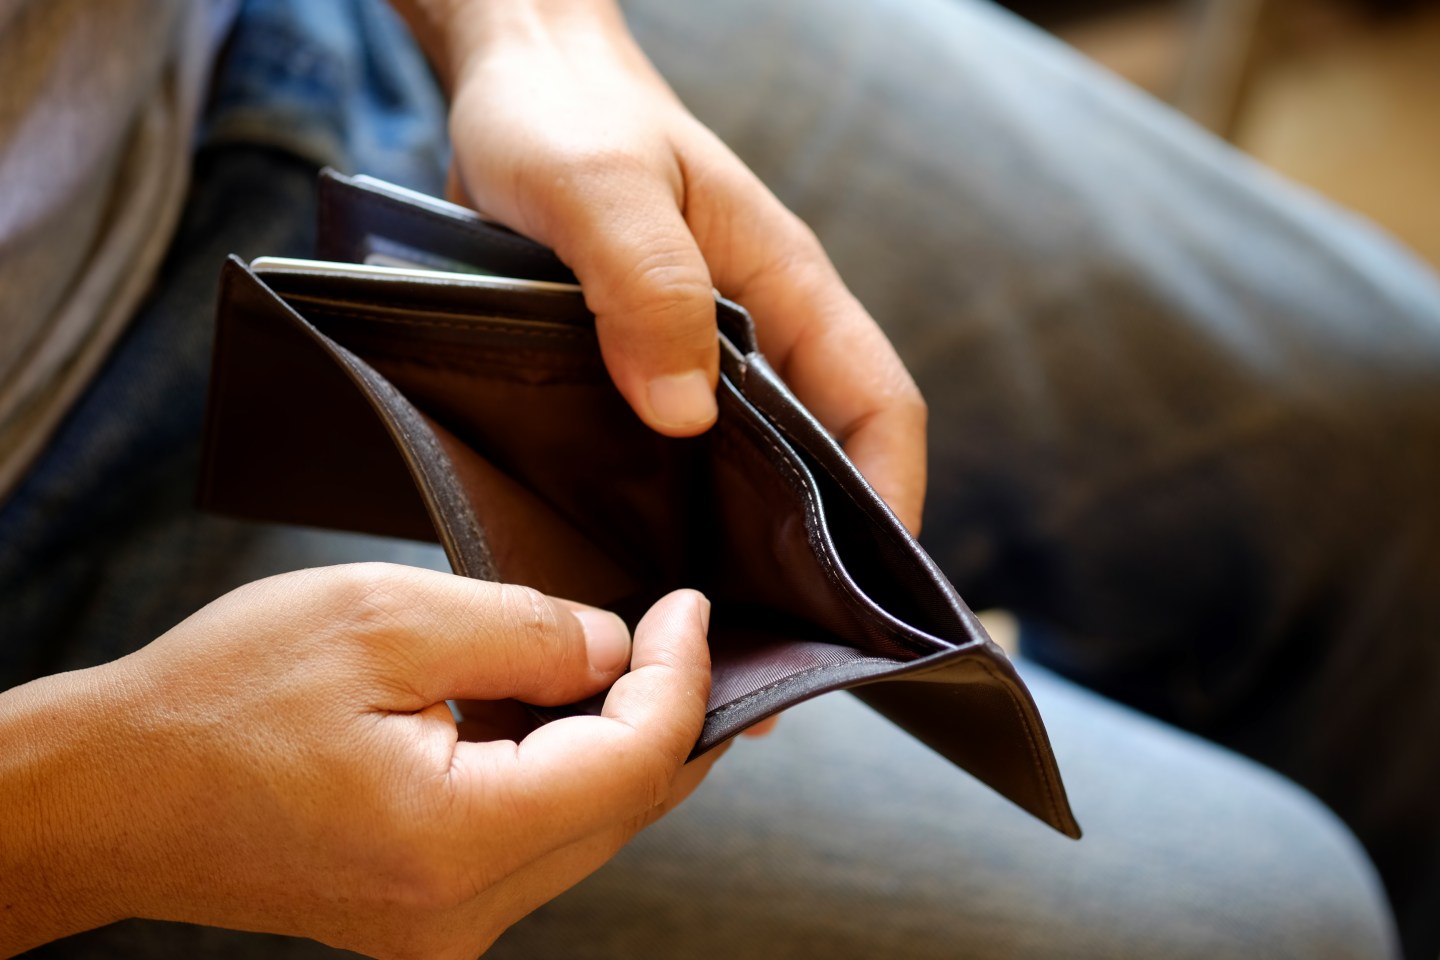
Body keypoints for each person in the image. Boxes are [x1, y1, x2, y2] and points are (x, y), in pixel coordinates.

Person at [1, 0, 1435, 957]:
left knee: (1397, 431)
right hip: (77, 642)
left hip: (315, 45)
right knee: (1269, 923)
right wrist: (78, 813)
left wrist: (539, 38)